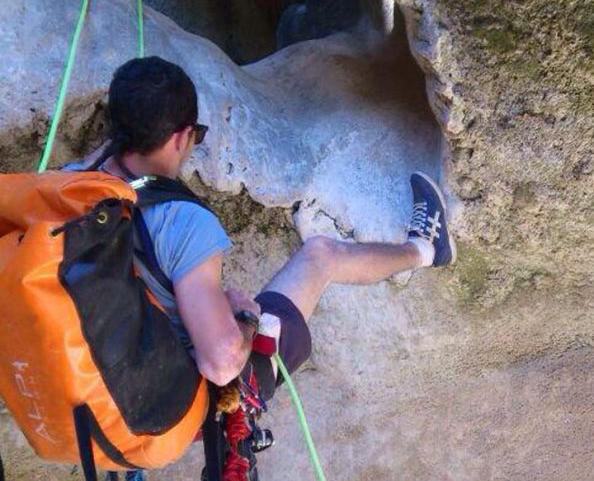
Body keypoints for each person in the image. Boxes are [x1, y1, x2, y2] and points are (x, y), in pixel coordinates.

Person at [66, 56, 457, 391]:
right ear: (181, 137)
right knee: (321, 255)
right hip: (172, 400)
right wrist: (243, 316)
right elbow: (222, 364)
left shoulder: (66, 187)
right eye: (197, 136)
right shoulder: (181, 222)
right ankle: (423, 249)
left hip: (92, 388)